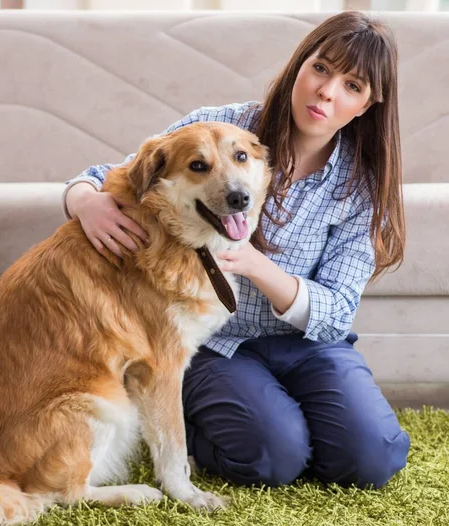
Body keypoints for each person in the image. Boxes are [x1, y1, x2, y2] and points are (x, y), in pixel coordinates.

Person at [61, 10, 410, 489]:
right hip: (218, 345)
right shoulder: (223, 126)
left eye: (352, 86)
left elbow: (337, 312)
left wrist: (255, 264)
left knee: (373, 457)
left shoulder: (362, 184)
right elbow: (119, 171)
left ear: (367, 105)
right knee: (273, 458)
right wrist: (83, 200)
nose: (327, 92)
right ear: (299, 65)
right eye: (321, 69)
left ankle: (280, 417)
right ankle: (217, 421)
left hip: (309, 345)